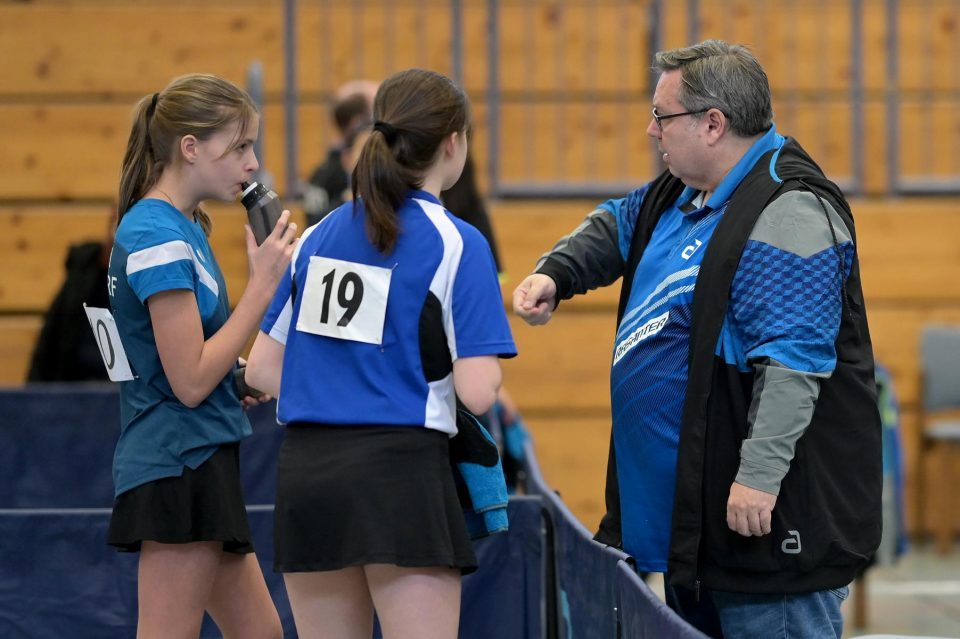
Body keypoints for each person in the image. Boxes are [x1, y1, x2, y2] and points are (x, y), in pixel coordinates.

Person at [513, 40, 882, 639]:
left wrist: (759, 479)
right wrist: (556, 272)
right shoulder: (680, 191)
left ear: (713, 124)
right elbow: (618, 222)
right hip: (694, 533)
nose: (650, 130)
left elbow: (793, 363)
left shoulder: (788, 208)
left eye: (662, 116)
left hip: (763, 537)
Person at [245, 68, 516, 639]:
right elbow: (476, 390)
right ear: (453, 142)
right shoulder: (457, 243)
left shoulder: (316, 238)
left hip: (308, 479)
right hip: (401, 476)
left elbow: (266, 368)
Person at [105, 73, 298, 638]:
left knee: (260, 634)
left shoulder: (186, 227)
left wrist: (234, 379)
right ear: (190, 148)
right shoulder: (154, 234)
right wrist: (261, 287)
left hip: (204, 452)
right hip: (174, 460)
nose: (253, 163)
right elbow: (188, 380)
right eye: (239, 147)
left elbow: (191, 362)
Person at [27, 204, 116, 382]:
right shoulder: (82, 278)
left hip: (120, 396)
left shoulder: (144, 283)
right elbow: (48, 346)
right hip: (73, 393)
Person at [302, 79, 378, 226]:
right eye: (373, 116)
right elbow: (312, 226)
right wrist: (347, 199)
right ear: (357, 122)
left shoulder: (386, 168)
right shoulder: (324, 176)